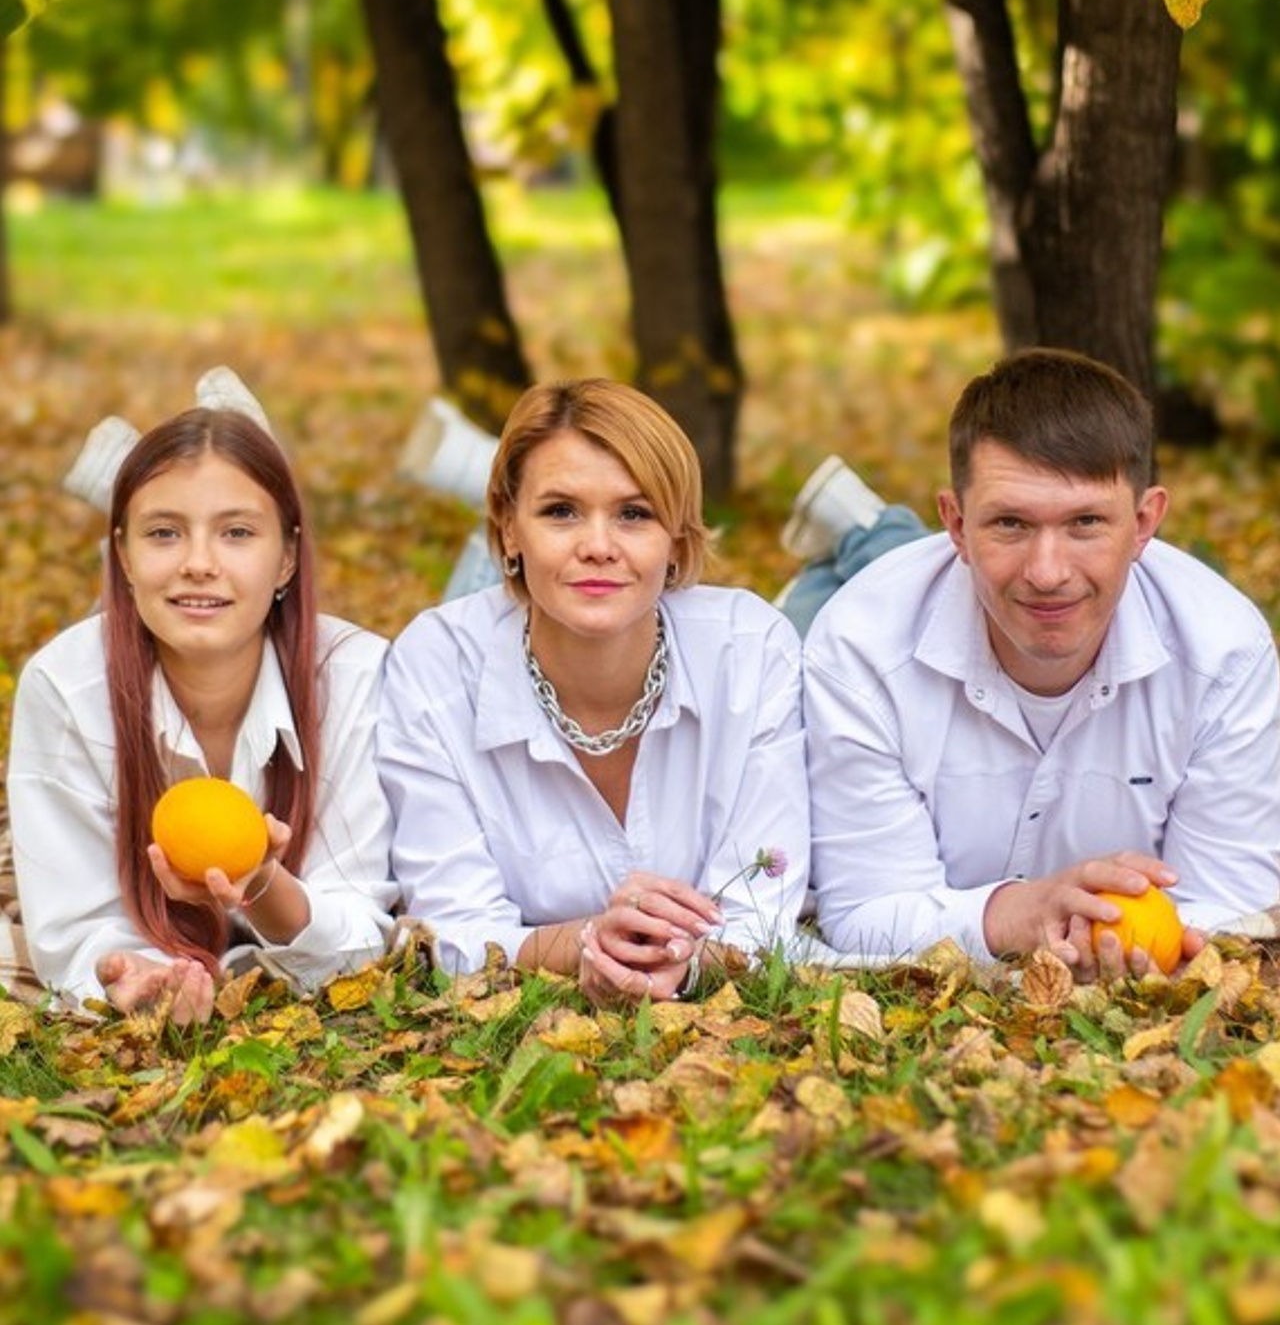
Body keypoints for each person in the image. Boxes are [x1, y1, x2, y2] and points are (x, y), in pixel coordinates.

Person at [803, 347, 1280, 980]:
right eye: (1010, 522)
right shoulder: (855, 645)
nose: (1048, 572)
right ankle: (861, 533)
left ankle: (877, 529)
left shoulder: (1224, 652)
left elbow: (1233, 903)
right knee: (814, 603)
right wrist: (1019, 915)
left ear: (1143, 524)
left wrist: (1136, 945)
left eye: (1086, 522)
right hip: (852, 604)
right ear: (955, 522)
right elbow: (863, 908)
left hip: (960, 588)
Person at [376, 378, 810, 1002]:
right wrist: (588, 941)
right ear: (508, 530)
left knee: (834, 603)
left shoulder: (753, 647)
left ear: (679, 539)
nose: (599, 546)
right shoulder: (430, 665)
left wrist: (679, 964)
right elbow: (452, 928)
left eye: (635, 514)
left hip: (673, 613)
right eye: (561, 511)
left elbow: (764, 911)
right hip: (498, 618)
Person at [6, 400, 397, 1021]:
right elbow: (72, 929)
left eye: (237, 532)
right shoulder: (63, 686)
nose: (199, 563)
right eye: (164, 532)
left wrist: (267, 885)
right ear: (124, 557)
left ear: (288, 558)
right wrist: (134, 976)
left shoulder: (355, 676)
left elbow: (357, 935)